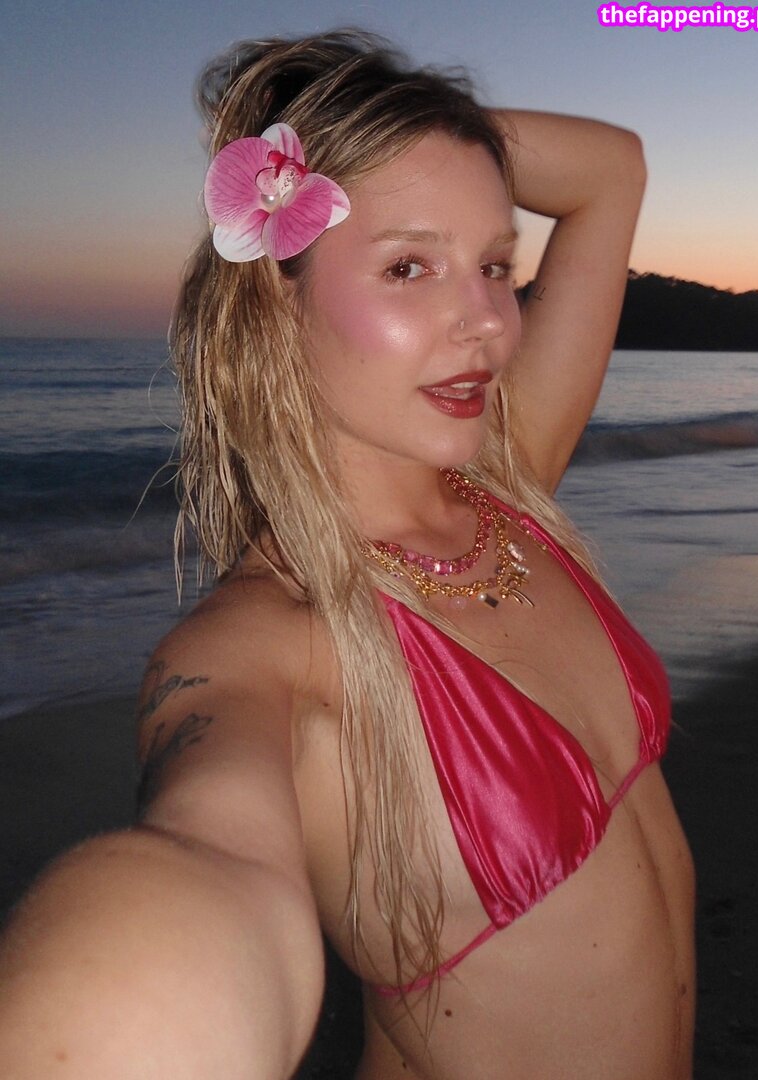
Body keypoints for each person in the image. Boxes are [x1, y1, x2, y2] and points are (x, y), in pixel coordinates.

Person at [0, 30, 694, 1079]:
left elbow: (612, 168)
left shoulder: (509, 490)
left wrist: (384, 137)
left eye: (495, 264)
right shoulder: (268, 646)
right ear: (276, 303)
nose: (488, 323)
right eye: (409, 266)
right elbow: (206, 858)